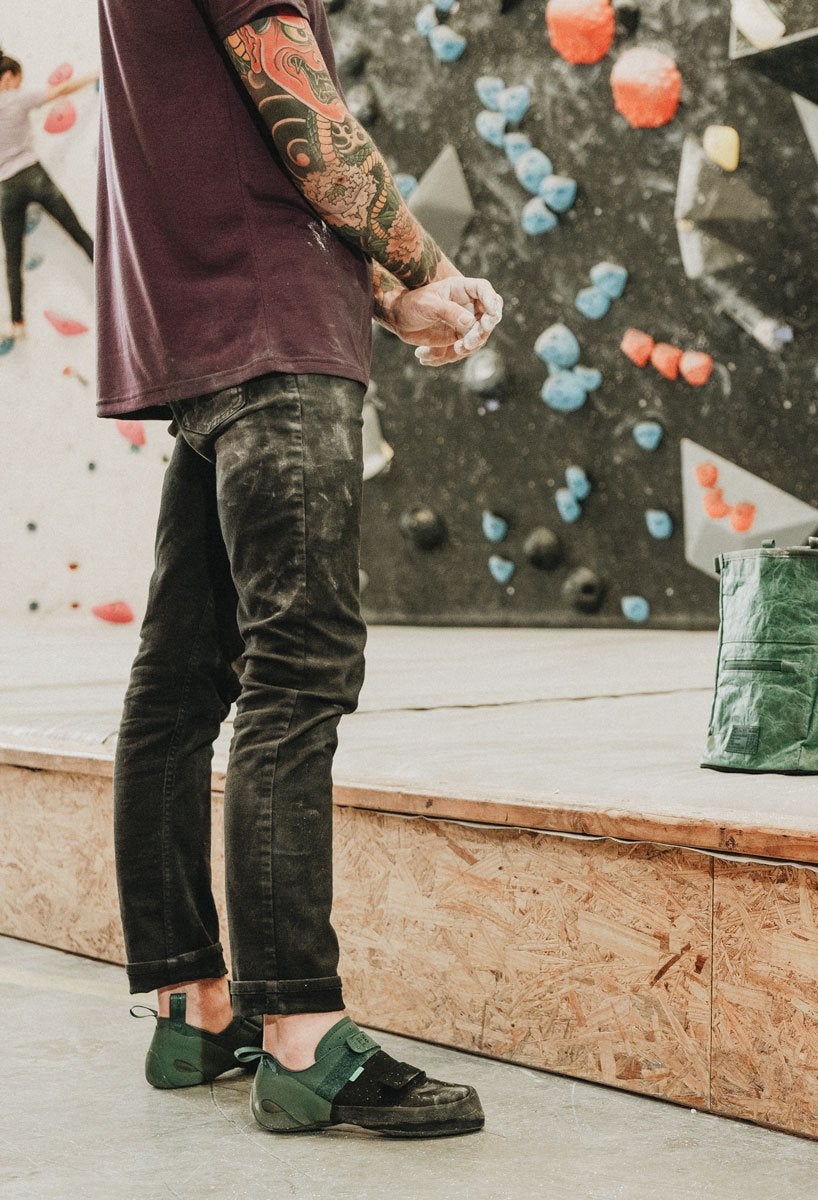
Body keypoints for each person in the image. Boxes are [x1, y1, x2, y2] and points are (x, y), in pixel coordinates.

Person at [100, 0, 503, 1137]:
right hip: (278, 337)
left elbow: (236, 151)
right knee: (300, 669)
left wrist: (386, 290)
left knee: (179, 686)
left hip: (202, 338)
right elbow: (308, 121)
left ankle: (195, 1006)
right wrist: (424, 266)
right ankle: (302, 1037)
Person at [0, 53, 97, 349]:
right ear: (9, 77)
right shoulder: (15, 98)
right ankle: (113, 279)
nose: (18, 84)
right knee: (76, 231)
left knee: (13, 259)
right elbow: (61, 90)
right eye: (17, 79)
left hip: (5, 186)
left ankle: (17, 322)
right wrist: (95, 75)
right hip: (32, 174)